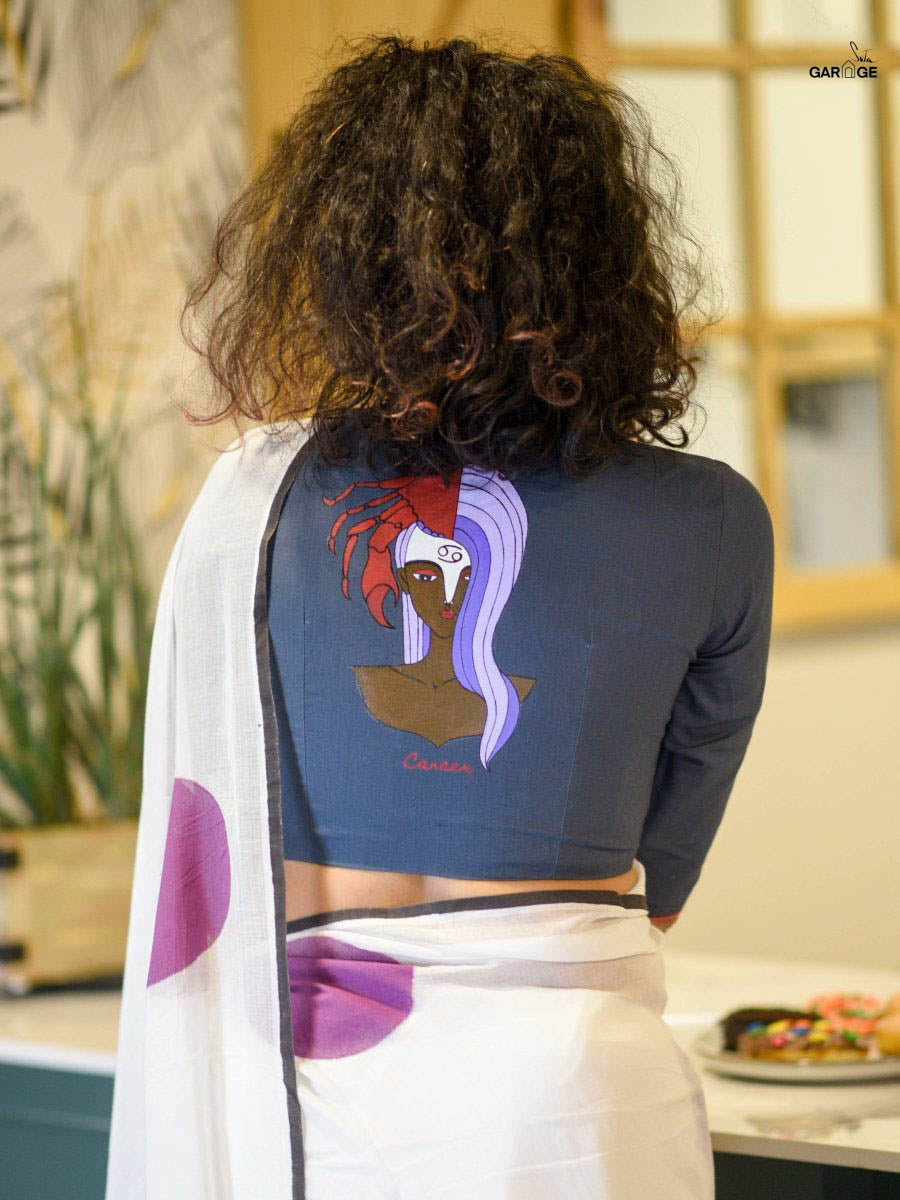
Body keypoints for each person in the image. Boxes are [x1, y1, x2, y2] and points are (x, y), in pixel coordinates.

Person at [106, 33, 773, 1200]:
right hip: (572, 1106)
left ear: (342, 263)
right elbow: (659, 883)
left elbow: (199, 848)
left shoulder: (253, 503)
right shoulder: (711, 522)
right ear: (603, 263)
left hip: (299, 1112)